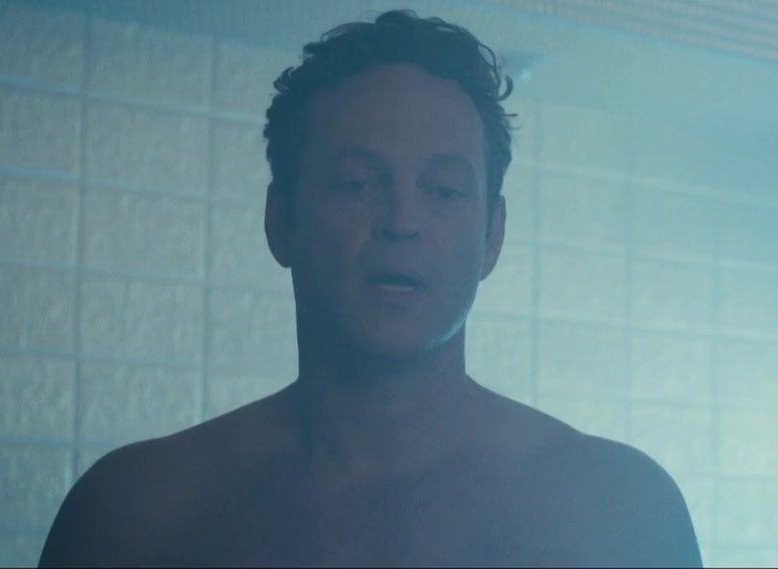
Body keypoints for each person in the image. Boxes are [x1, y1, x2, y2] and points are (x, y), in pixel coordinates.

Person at [39, 10, 700, 567]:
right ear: (282, 220)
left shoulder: (619, 512)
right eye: (356, 183)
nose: (402, 220)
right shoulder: (137, 514)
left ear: (492, 236)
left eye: (444, 190)